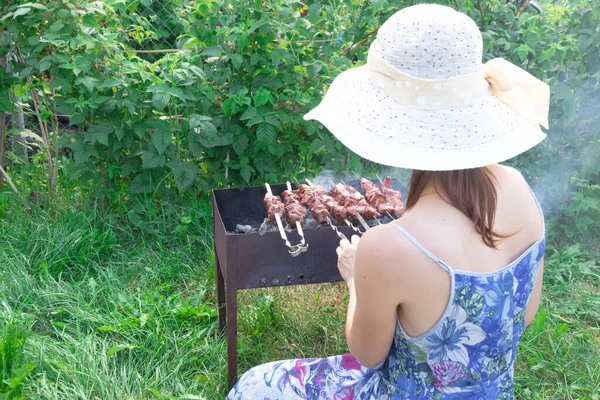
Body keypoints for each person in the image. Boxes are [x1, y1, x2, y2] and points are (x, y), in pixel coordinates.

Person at [226, 3, 549, 399]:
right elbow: (524, 315)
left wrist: (353, 278)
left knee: (256, 384)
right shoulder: (521, 190)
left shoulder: (388, 246)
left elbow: (367, 355)